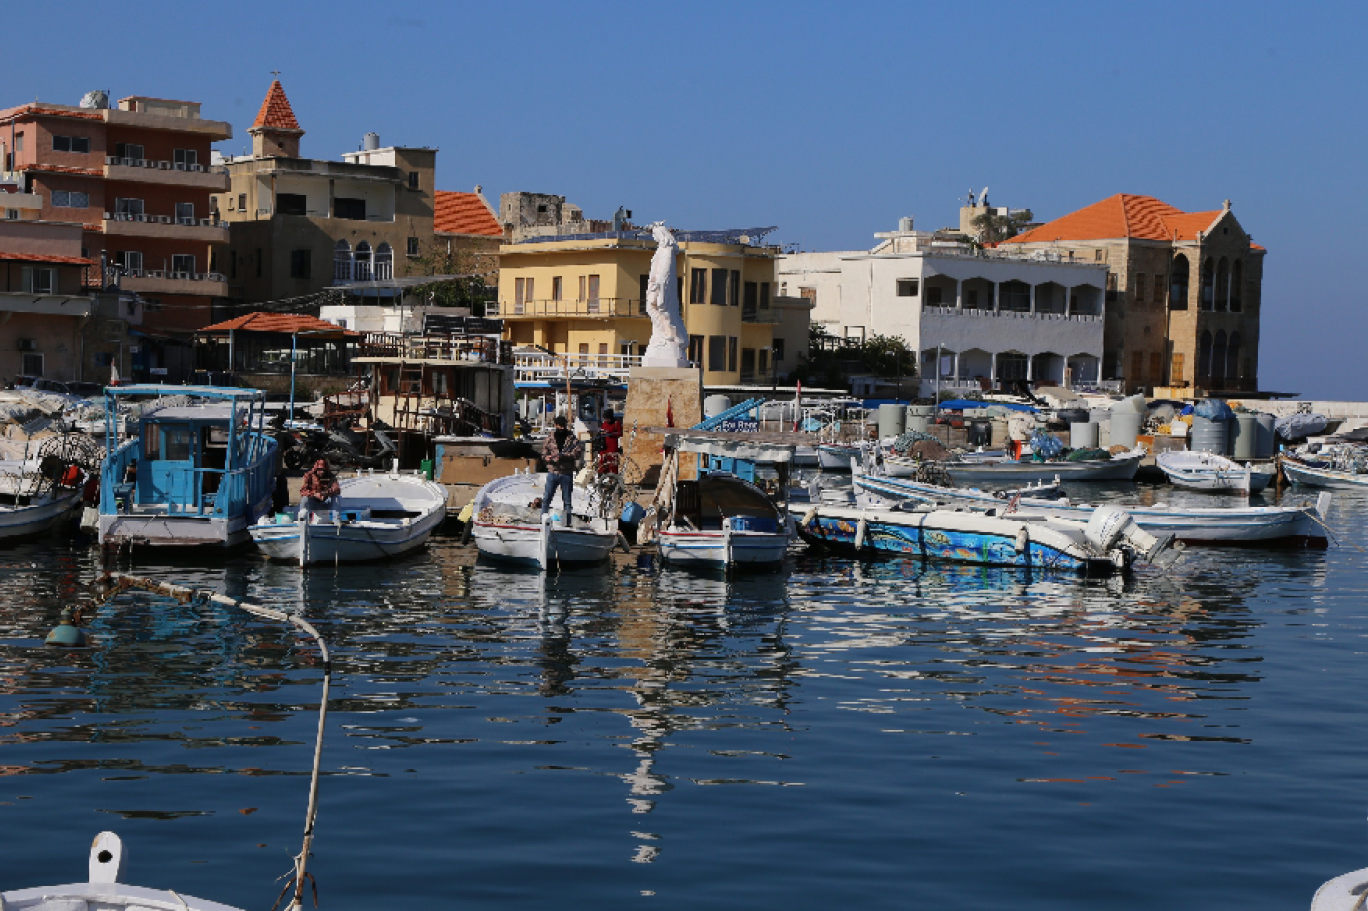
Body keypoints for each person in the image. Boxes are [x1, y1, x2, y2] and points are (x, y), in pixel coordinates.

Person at [541, 415, 582, 526]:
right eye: (559, 425)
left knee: (567, 501)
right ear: (555, 425)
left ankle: (567, 523)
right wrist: (548, 458)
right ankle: (542, 521)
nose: (561, 428)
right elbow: (543, 454)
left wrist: (563, 456)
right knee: (547, 498)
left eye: (563, 425)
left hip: (566, 473)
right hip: (553, 473)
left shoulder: (572, 438)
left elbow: (577, 453)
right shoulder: (550, 438)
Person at [597, 407, 623, 473]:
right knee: (603, 461)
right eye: (605, 419)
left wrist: (611, 433)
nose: (606, 420)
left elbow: (620, 433)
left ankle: (613, 478)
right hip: (605, 446)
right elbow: (601, 431)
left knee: (613, 463)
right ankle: (603, 476)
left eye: (607, 419)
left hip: (613, 446)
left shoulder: (616, 423)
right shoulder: (604, 424)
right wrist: (602, 433)